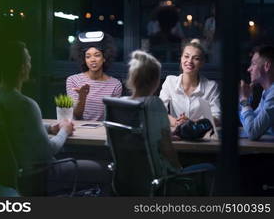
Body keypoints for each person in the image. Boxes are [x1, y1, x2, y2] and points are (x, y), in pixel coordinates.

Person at [0, 41, 108, 194]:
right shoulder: (26, 105)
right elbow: (48, 151)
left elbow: (19, 126)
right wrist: (64, 130)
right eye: (28, 60)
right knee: (107, 169)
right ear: (23, 68)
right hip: (43, 173)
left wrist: (50, 128)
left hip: (18, 172)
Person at [125, 50, 214, 190]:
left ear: (131, 78)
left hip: (129, 177)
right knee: (210, 168)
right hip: (161, 178)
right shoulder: (155, 106)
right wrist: (179, 170)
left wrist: (166, 135)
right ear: (155, 81)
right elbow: (168, 151)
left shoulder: (118, 104)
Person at [159, 39, 221, 127]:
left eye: (196, 58)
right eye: (186, 56)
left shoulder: (211, 87)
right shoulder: (170, 82)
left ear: (202, 63)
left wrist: (192, 123)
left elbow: (217, 117)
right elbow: (159, 113)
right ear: (181, 58)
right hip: (177, 135)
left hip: (203, 137)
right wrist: (177, 122)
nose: (190, 61)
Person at [66, 33, 122, 121]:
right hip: (79, 130)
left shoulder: (115, 84)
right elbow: (76, 115)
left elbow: (114, 117)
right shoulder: (73, 80)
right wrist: (82, 97)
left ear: (104, 58)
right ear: (84, 60)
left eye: (97, 55)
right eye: (88, 56)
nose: (92, 60)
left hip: (102, 131)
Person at [239, 45, 274, 140]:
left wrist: (244, 101)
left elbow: (252, 132)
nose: (249, 69)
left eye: (253, 64)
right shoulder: (267, 92)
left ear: (267, 66)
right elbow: (251, 122)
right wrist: (245, 99)